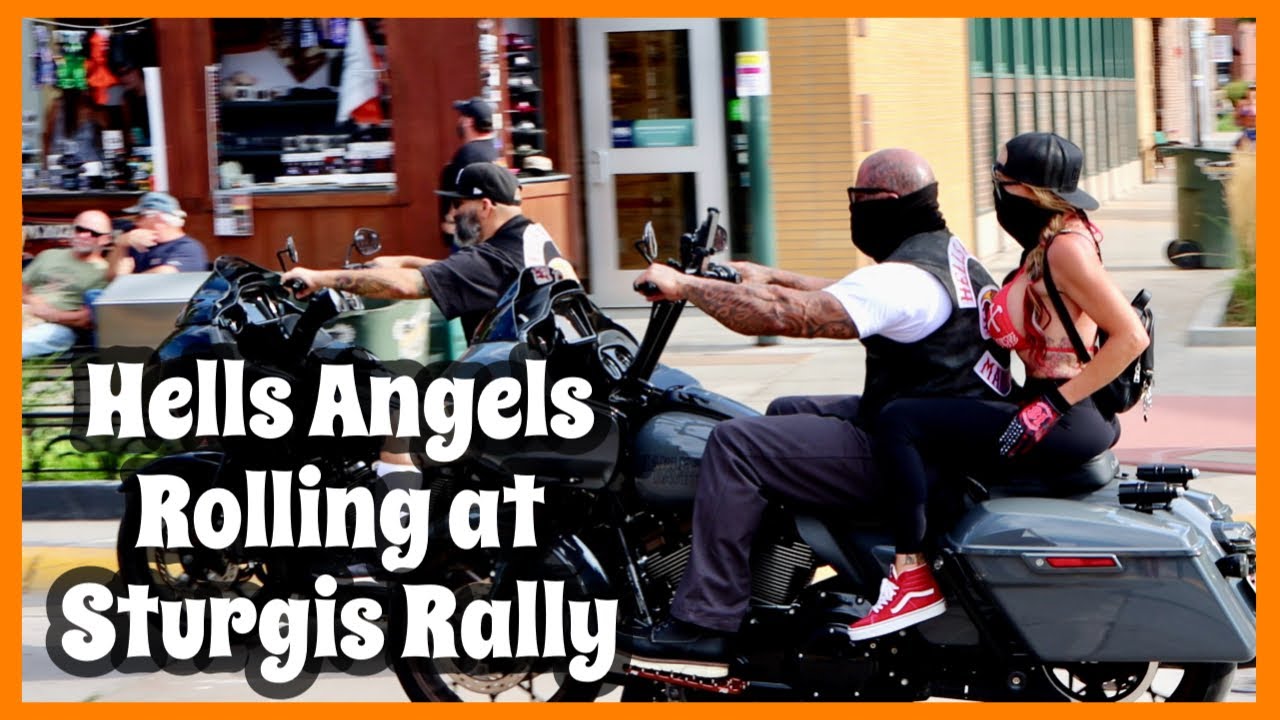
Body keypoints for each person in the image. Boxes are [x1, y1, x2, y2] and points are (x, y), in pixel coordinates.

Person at [619, 148, 1011, 677]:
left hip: (918, 457)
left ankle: (705, 625)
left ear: (888, 202)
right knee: (785, 410)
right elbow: (841, 295)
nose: (855, 209)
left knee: (737, 444)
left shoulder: (904, 278)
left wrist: (685, 286)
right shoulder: (943, 257)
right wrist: (758, 275)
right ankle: (777, 576)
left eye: (860, 198)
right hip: (940, 428)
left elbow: (793, 316)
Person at [851, 132, 1150, 642]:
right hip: (1046, 403)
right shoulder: (1047, 245)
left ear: (1031, 193)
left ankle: (912, 576)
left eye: (1002, 183)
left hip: (1066, 417)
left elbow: (1130, 336)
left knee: (900, 419)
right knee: (930, 418)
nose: (996, 193)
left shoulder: (1065, 252)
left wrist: (1052, 405)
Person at [282, 161, 576, 572]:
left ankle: (390, 553)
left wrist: (319, 277)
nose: (453, 214)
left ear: (486, 206)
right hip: (539, 385)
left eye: (459, 204)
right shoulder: (530, 238)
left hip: (512, 398)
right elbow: (450, 271)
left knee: (395, 415)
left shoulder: (497, 257)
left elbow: (411, 287)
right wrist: (401, 259)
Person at [22, 210, 113, 358]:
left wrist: (51, 315)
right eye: (80, 229)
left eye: (93, 233)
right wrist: (32, 301)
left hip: (58, 328)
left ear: (106, 239)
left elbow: (88, 319)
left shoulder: (105, 273)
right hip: (25, 312)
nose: (84, 235)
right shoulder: (49, 255)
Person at [107, 191, 209, 278]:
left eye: (140, 217)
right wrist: (120, 245)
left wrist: (126, 280)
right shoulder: (137, 245)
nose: (137, 223)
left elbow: (166, 275)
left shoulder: (188, 248)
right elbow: (111, 277)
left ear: (157, 218)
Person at [439, 97, 500, 241]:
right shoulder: (492, 150)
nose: (459, 121)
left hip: (469, 230)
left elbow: (460, 194)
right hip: (488, 227)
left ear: (469, 122)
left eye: (462, 116)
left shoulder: (468, 154)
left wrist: (450, 221)